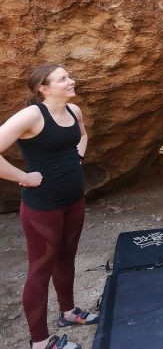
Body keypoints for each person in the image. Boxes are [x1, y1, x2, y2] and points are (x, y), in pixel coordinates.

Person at [0, 64, 97, 349]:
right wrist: (24, 177)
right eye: (63, 79)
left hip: (73, 198)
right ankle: (40, 343)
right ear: (43, 88)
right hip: (43, 206)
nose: (72, 81)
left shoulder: (73, 111)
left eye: (69, 76)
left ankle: (68, 313)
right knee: (40, 270)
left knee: (67, 257)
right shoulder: (31, 115)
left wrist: (77, 158)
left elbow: (82, 135)